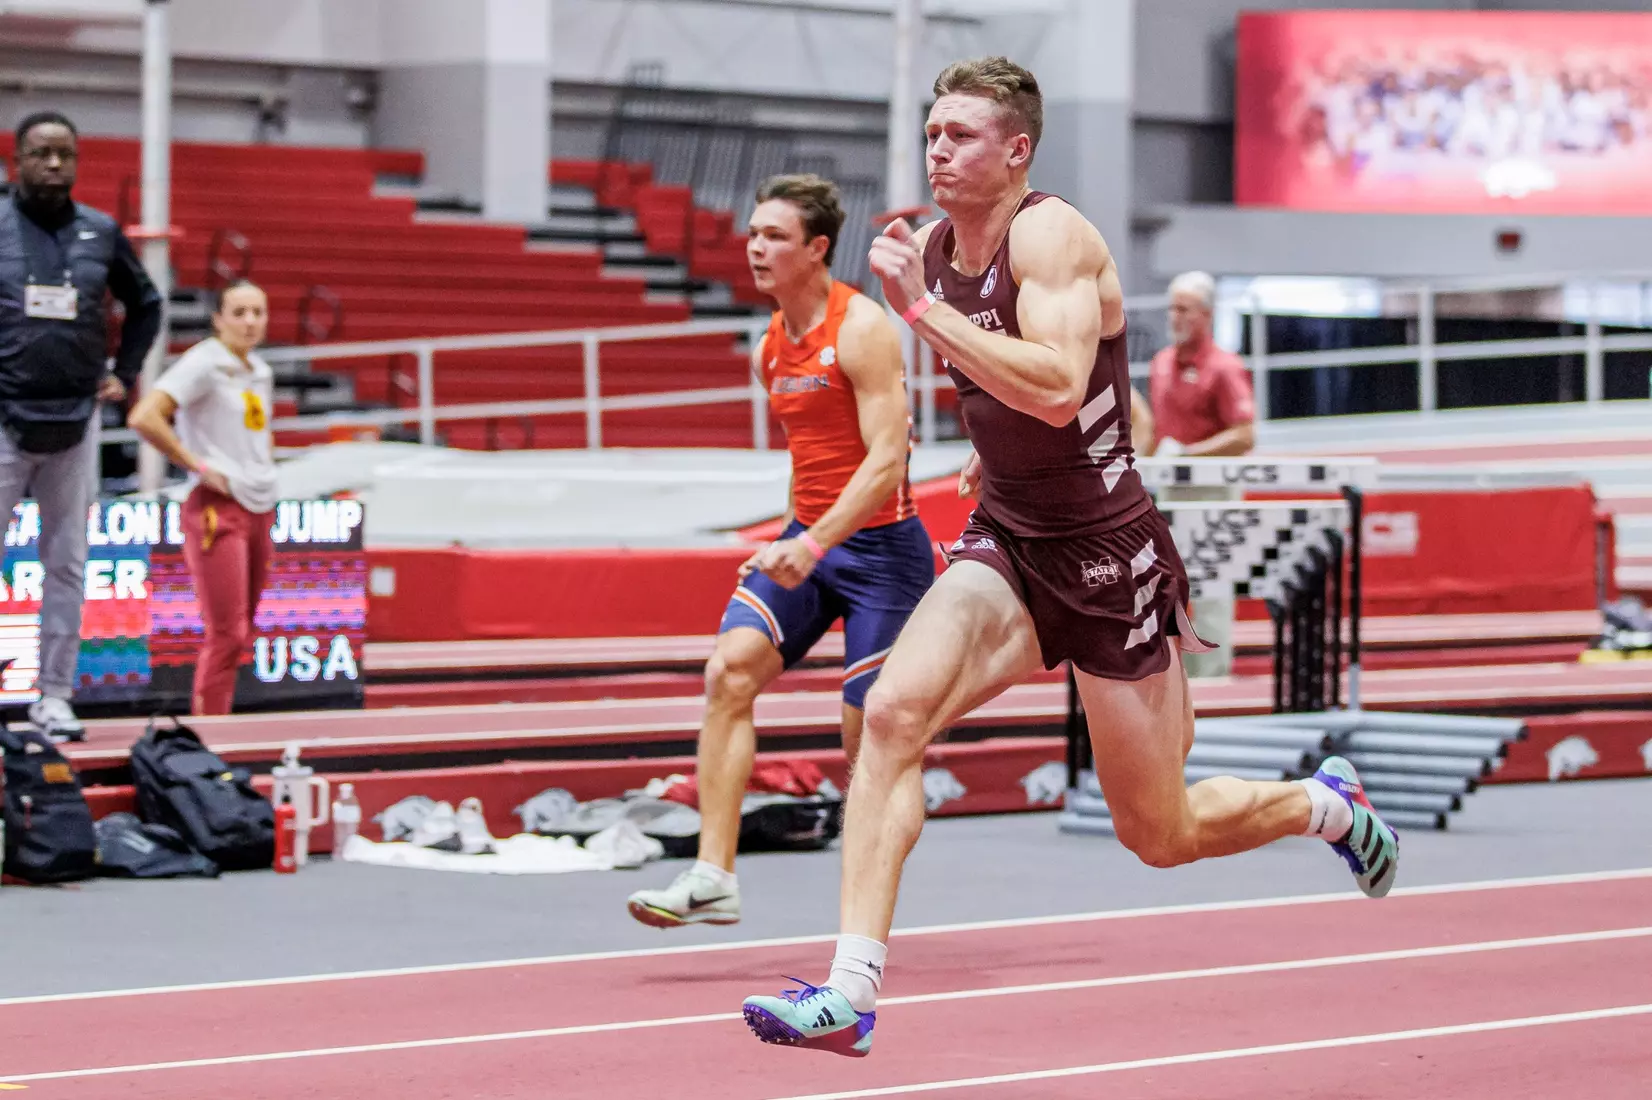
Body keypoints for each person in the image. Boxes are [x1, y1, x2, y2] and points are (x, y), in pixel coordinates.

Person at [740, 57, 1399, 1059]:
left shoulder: (1049, 232)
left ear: (1015, 150)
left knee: (1158, 832)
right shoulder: (931, 245)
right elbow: (1021, 398)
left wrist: (926, 314)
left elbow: (1053, 386)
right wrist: (985, 451)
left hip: (1106, 557)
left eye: (958, 134)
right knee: (890, 710)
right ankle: (849, 988)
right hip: (1007, 541)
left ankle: (1322, 804)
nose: (935, 148)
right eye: (930, 132)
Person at [626, 174, 933, 929]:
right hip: (811, 539)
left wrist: (816, 541)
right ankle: (711, 876)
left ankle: (864, 918)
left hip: (884, 555)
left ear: (817, 248)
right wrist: (789, 539)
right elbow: (810, 462)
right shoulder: (770, 346)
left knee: (872, 737)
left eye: (775, 237)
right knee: (728, 670)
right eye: (754, 234)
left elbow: (888, 460)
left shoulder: (860, 328)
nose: (757, 248)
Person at [0, 110, 162, 739]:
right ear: (17, 159)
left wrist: (125, 371)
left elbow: (146, 302)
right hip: (5, 418)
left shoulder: (100, 230)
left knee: (67, 563)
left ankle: (55, 695)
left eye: (65, 154)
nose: (54, 166)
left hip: (76, 421)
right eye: (41, 153)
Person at [128, 280, 278, 715]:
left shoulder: (259, 371)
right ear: (218, 319)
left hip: (259, 504)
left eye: (258, 312)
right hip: (216, 509)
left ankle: (220, 719)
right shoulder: (203, 363)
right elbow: (145, 415)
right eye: (240, 312)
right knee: (226, 632)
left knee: (243, 631)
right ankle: (209, 734)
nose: (250, 322)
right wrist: (196, 464)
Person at [1146, 270, 1258, 677]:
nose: (1174, 316)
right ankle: (1169, 681)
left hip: (1211, 489)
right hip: (1170, 489)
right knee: (1165, 587)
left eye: (1184, 309)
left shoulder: (1225, 368)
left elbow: (1246, 435)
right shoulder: (1160, 365)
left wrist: (1191, 453)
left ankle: (1213, 680)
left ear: (1207, 315)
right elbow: (1155, 428)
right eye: (1172, 308)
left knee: (1209, 589)